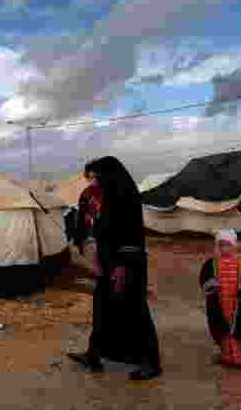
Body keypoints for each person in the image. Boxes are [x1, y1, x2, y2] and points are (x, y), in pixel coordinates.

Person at [67, 156, 163, 381]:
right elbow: (105, 233)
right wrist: (100, 260)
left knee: (134, 311)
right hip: (110, 262)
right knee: (103, 308)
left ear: (107, 175)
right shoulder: (108, 197)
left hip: (127, 264)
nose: (92, 183)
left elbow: (129, 235)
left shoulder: (125, 197)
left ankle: (151, 362)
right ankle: (94, 355)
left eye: (94, 177)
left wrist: (120, 266)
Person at [199, 229, 241, 368]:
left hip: (239, 306)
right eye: (221, 245)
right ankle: (226, 354)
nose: (224, 248)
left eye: (227, 245)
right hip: (219, 305)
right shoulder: (211, 265)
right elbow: (205, 281)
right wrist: (211, 290)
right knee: (222, 330)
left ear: (234, 246)